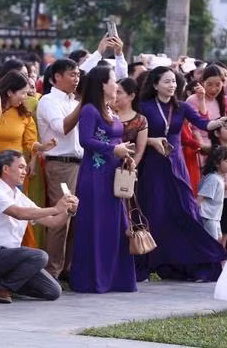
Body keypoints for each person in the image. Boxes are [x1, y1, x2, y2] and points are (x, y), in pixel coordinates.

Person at [135, 66, 227, 282]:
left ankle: (196, 261)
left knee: (186, 211)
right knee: (154, 212)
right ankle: (147, 262)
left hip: (176, 166)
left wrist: (220, 122)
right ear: (156, 84)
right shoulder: (144, 107)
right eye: (167, 82)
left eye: (174, 82)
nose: (172, 86)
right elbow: (132, 133)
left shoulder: (183, 107)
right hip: (153, 166)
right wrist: (150, 142)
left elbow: (204, 124)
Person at [69, 66, 137, 293]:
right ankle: (92, 279)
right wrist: (113, 149)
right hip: (95, 176)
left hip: (114, 175)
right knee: (96, 226)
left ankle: (116, 278)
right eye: (112, 80)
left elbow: (116, 141)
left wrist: (126, 155)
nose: (116, 84)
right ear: (101, 84)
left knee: (115, 226)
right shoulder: (89, 110)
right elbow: (85, 141)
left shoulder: (110, 110)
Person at [0, 150, 77, 303]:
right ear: (5, 169)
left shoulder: (20, 197)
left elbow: (52, 222)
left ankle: (6, 283)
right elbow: (19, 213)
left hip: (16, 259)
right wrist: (56, 208)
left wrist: (68, 211)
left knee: (53, 291)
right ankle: (2, 289)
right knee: (40, 256)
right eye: (21, 167)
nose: (25, 172)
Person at [36, 58, 82, 279]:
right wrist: (84, 104)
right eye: (72, 74)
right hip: (60, 165)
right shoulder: (48, 100)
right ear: (56, 78)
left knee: (75, 218)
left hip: (79, 163)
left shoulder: (74, 101)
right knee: (61, 218)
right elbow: (61, 128)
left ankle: (68, 269)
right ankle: (51, 272)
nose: (76, 79)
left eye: (78, 75)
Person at [198, 146, 227, 243]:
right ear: (217, 163)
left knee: (218, 240)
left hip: (215, 217)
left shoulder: (219, 178)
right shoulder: (213, 179)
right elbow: (200, 198)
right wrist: (195, 215)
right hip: (208, 217)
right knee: (212, 243)